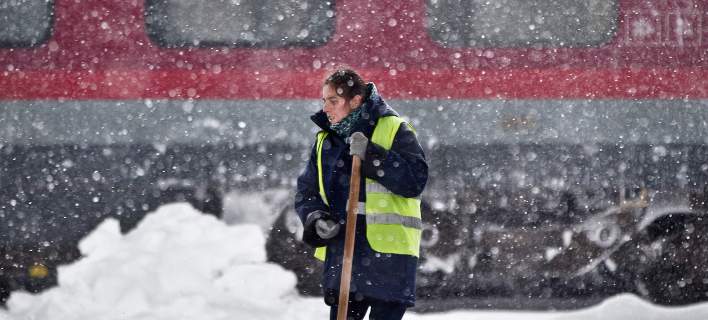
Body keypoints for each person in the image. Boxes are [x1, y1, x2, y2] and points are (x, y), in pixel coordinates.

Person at [295, 68, 428, 320]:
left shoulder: (393, 128)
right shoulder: (325, 141)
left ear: (355, 101)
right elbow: (306, 192)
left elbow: (415, 180)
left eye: (333, 101)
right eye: (324, 101)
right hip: (344, 258)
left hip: (389, 261)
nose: (326, 108)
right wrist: (315, 218)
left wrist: (372, 155)